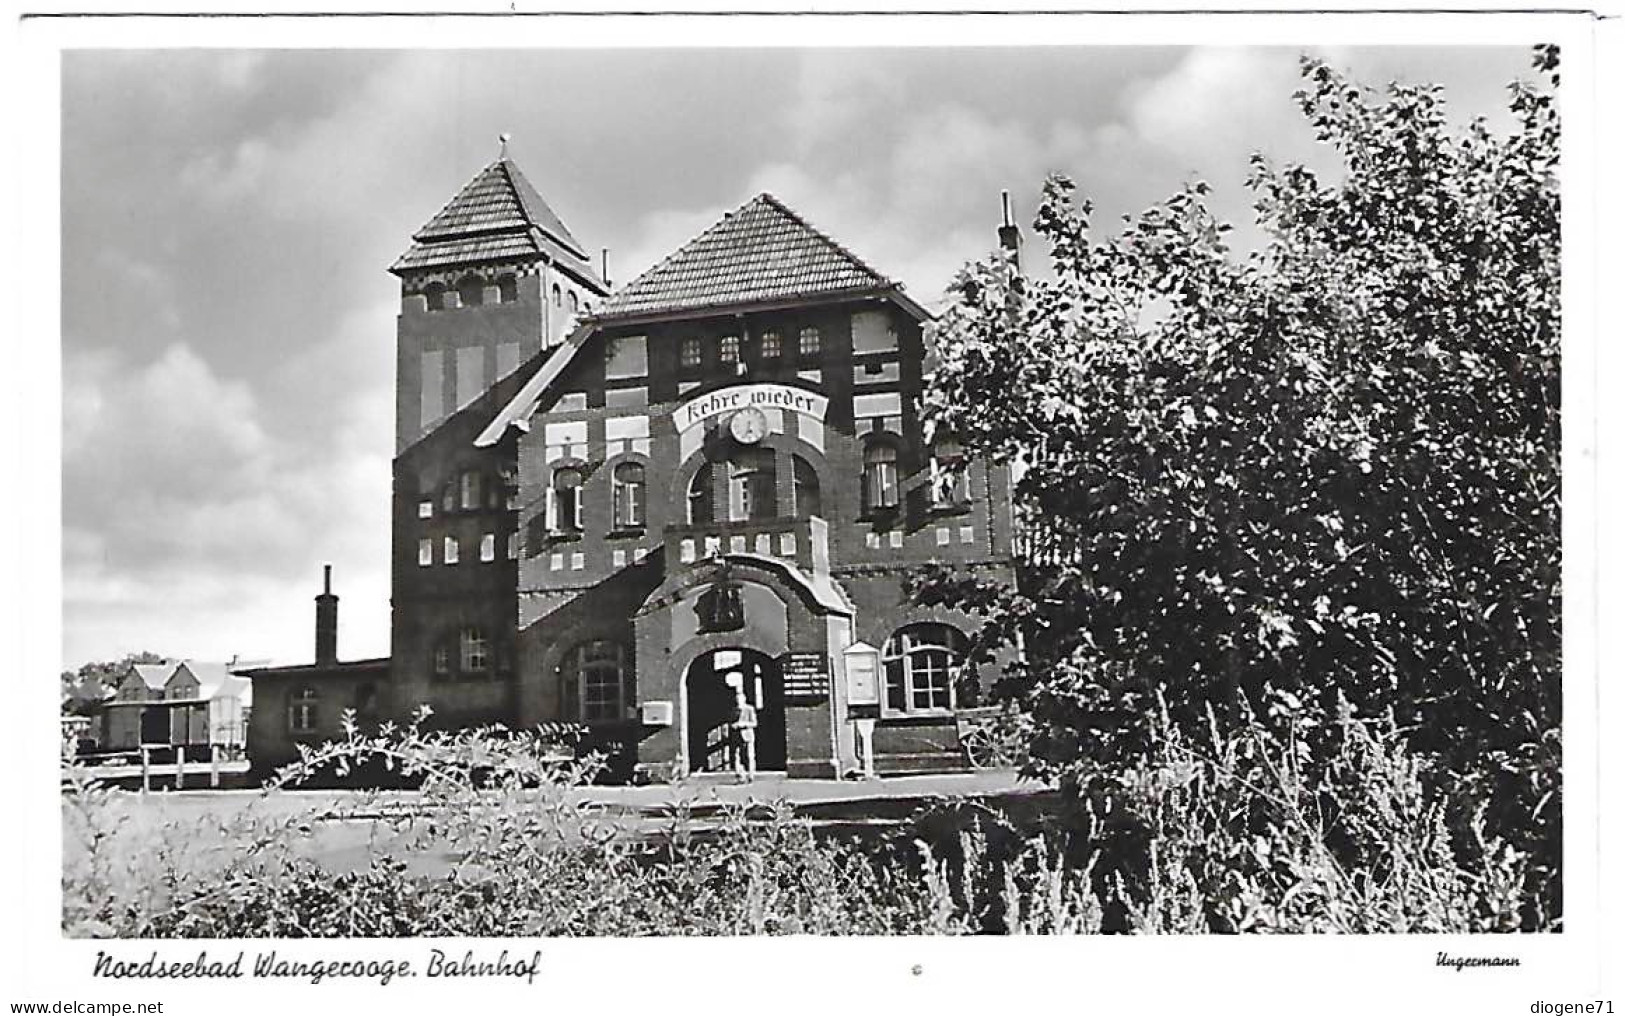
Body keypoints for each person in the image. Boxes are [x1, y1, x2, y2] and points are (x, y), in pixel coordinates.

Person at [726, 672, 757, 782]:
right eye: (737, 701)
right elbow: (730, 722)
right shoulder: (734, 711)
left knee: (749, 756)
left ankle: (751, 774)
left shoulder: (749, 709)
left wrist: (743, 724)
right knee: (737, 756)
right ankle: (740, 775)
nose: (738, 703)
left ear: (744, 700)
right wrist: (733, 726)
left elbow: (754, 723)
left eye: (740, 701)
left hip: (747, 735)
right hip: (737, 736)